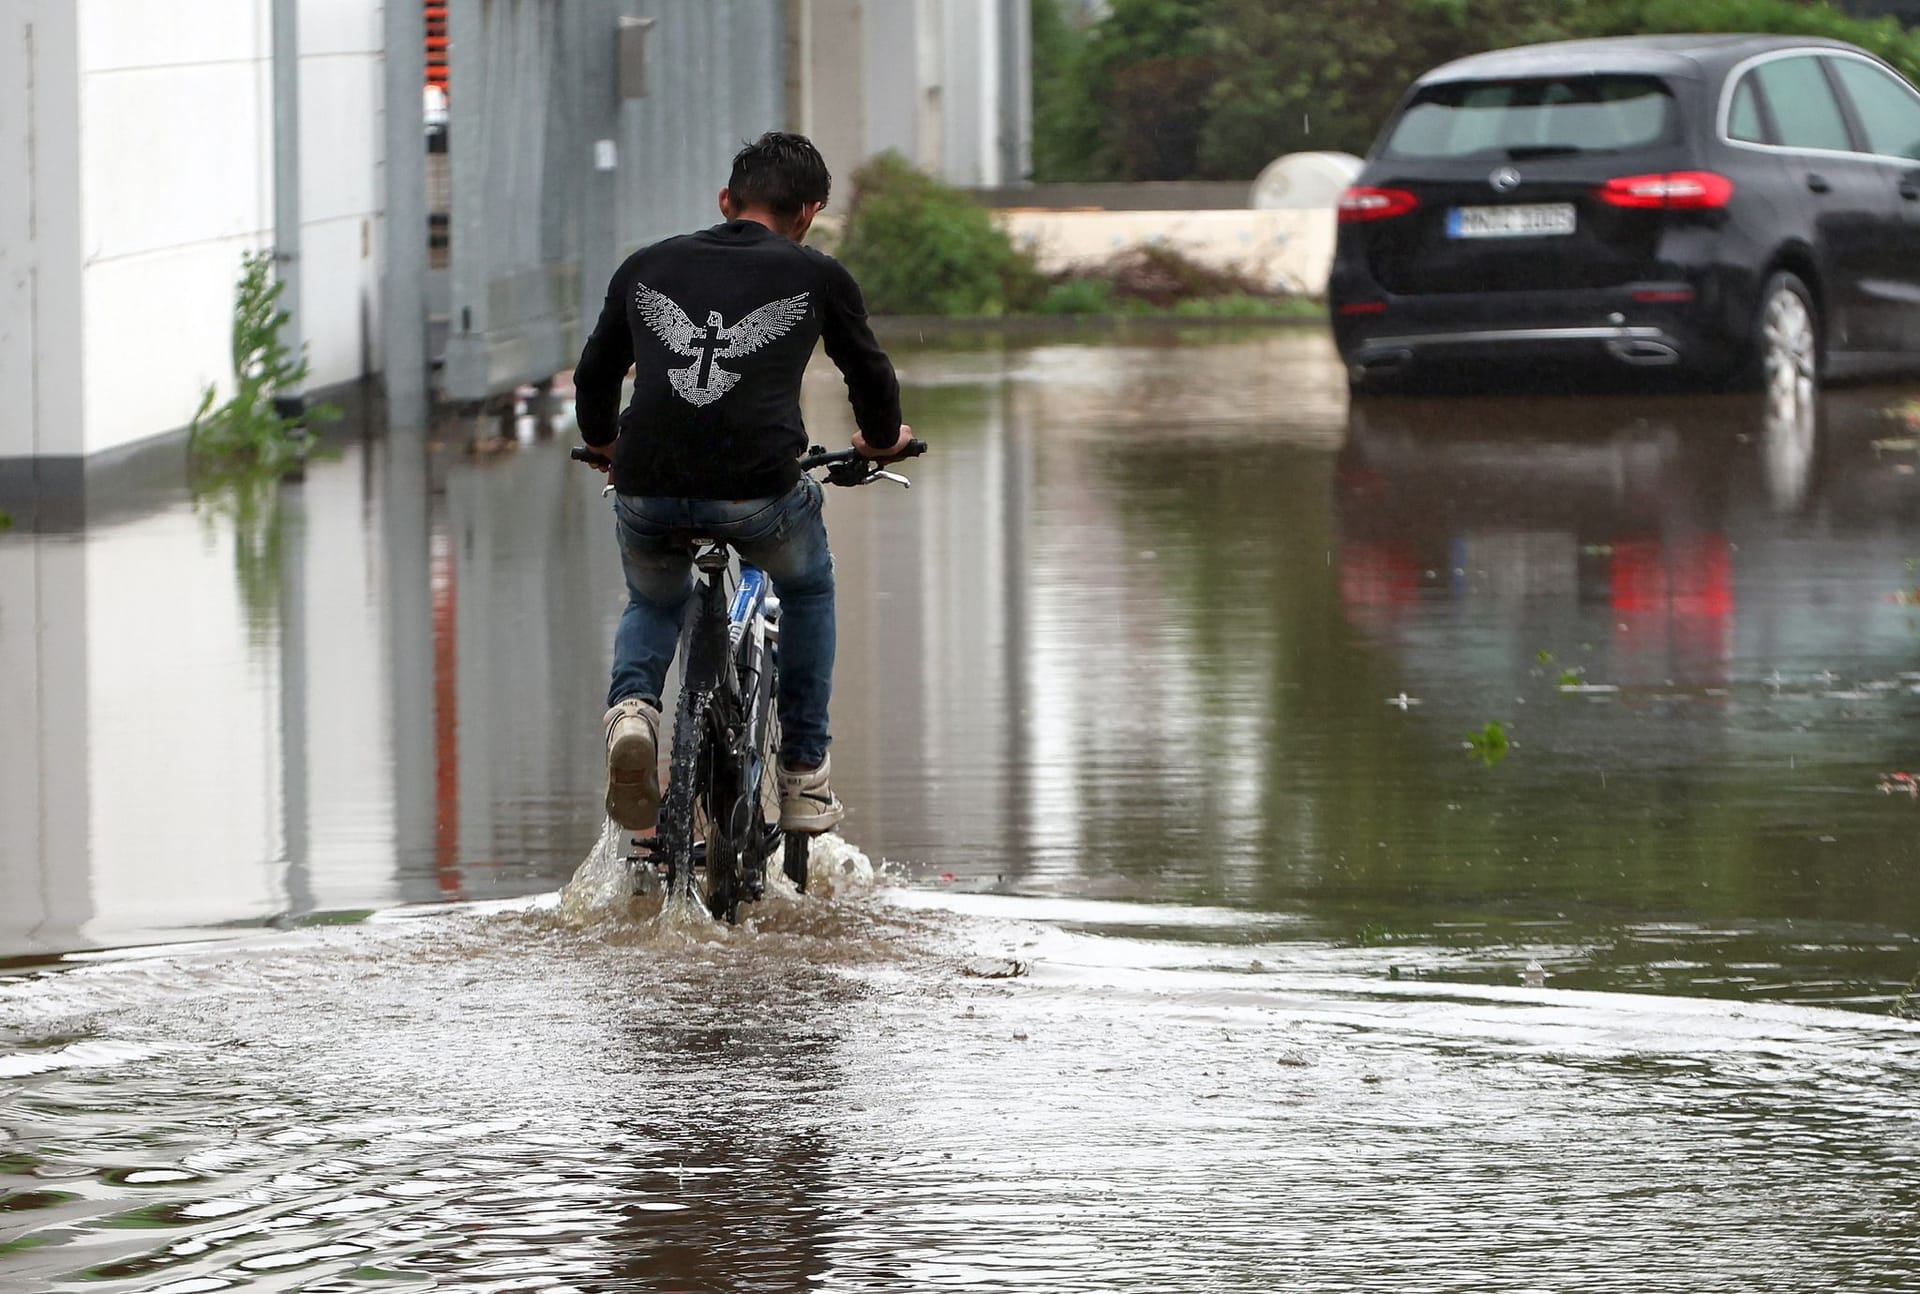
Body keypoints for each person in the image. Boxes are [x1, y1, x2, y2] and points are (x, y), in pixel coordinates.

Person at [572, 131, 911, 837]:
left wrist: (608, 445)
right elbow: (871, 377)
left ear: (726, 201)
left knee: (655, 597)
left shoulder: (646, 265)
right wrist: (881, 444)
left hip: (648, 485)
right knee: (808, 584)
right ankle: (803, 777)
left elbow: (595, 374)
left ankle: (634, 713)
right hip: (759, 493)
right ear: (809, 212)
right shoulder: (818, 276)